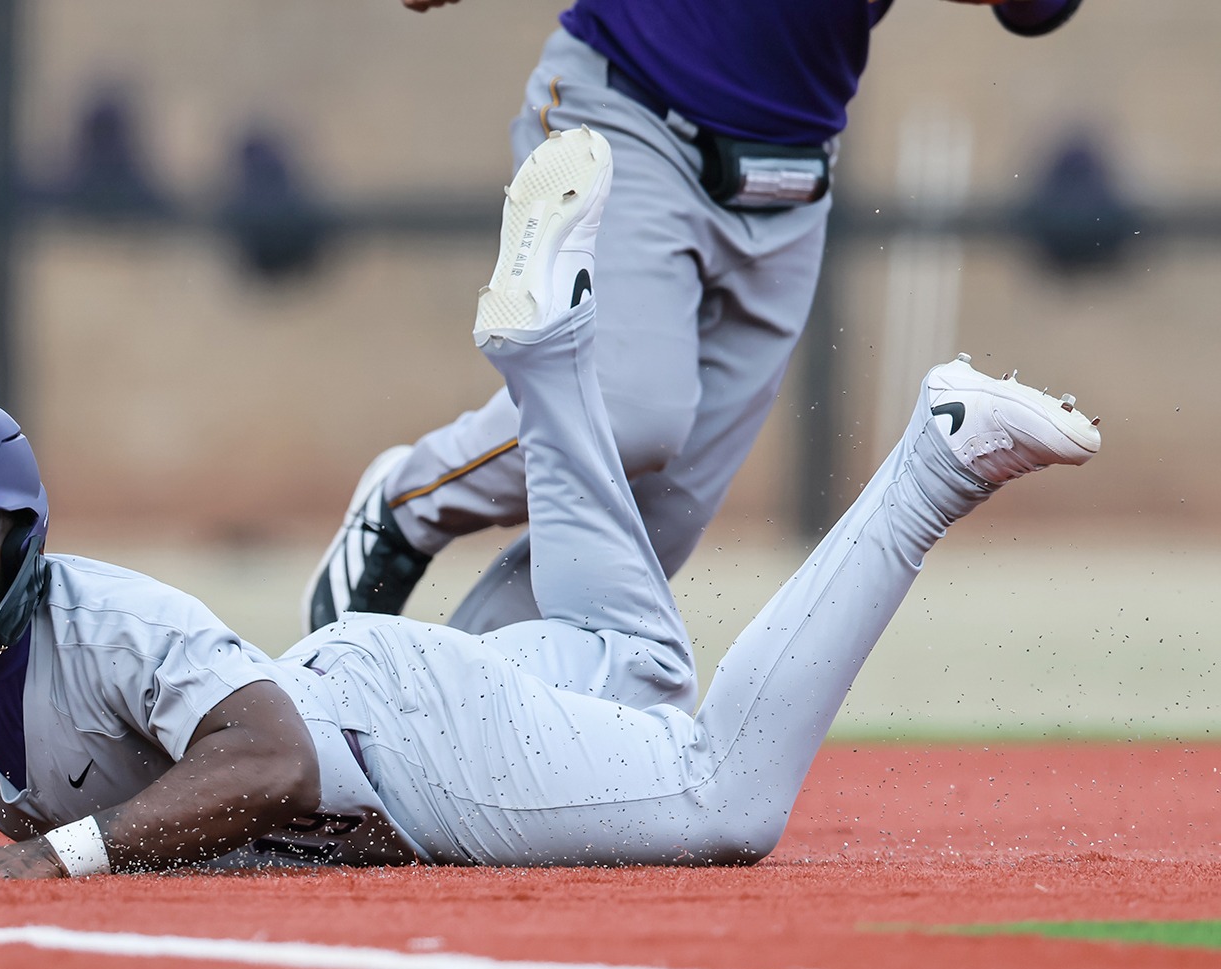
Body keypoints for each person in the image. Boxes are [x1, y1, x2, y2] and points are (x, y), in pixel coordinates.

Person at [0, 129, 1099, 877]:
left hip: (391, 747)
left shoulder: (103, 617)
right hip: (394, 726)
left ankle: (936, 452)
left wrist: (56, 861)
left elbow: (269, 763)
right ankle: (548, 360)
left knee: (726, 803)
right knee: (627, 666)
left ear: (28, 538)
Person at [305, 0, 1087, 636]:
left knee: (654, 527)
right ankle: (410, 502)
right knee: (633, 414)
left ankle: (450, 721)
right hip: (630, 112)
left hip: (792, 181)